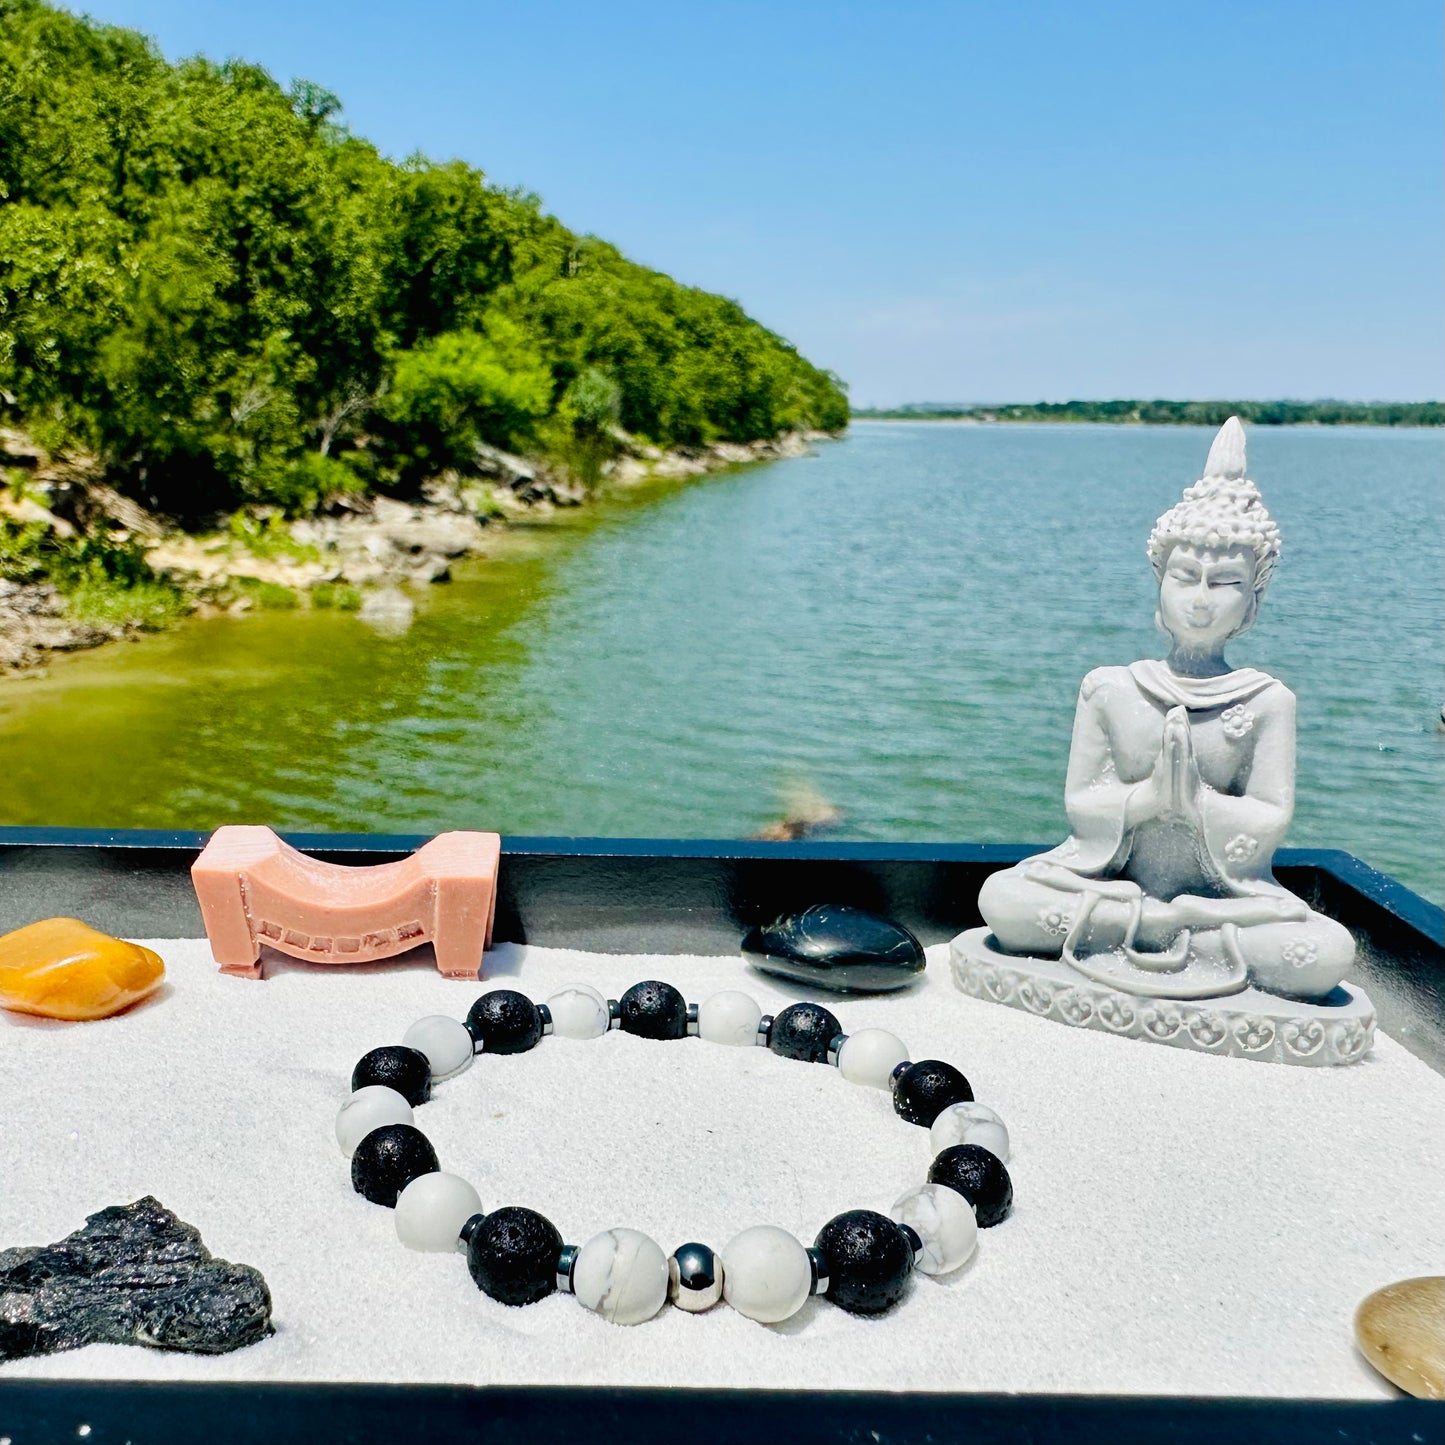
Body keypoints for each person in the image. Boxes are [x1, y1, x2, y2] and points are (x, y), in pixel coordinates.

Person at [977, 418, 1353, 1002]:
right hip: (1111, 885)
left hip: (1218, 897)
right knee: (1002, 899)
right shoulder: (1110, 687)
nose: (1200, 600)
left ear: (1253, 602)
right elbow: (1080, 801)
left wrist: (1198, 805)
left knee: (1323, 954)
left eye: (1225, 582)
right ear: (1159, 580)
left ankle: (1173, 926)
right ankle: (1163, 928)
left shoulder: (1266, 701)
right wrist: (1146, 801)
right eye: (1185, 576)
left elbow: (1270, 813)